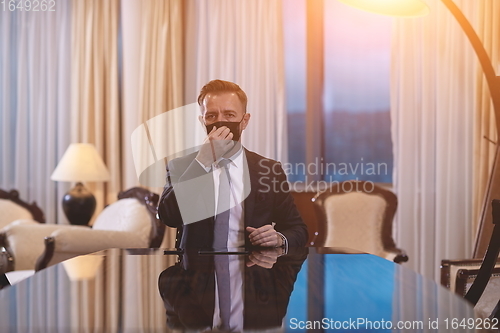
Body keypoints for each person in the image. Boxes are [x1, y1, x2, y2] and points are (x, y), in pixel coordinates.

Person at [157, 79, 308, 250]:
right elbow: (169, 217)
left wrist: (279, 238)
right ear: (202, 122)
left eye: (229, 115)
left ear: (244, 121)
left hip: (251, 268)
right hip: (196, 271)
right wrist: (203, 161)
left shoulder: (269, 170)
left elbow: (298, 229)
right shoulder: (181, 166)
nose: (220, 122)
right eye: (211, 116)